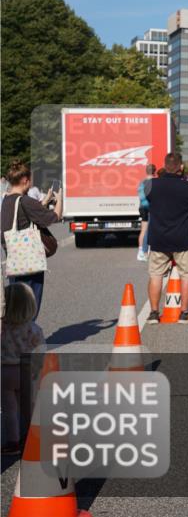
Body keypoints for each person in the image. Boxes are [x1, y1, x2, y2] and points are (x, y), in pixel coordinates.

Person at [145, 152, 188, 323]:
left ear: (164, 166)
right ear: (181, 167)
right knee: (187, 275)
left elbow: (147, 198)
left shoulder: (151, 185)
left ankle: (154, 313)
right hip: (184, 239)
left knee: (156, 275)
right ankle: (185, 313)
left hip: (159, 238)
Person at [1, 161, 62, 318]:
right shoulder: (25, 201)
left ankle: (15, 340)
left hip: (14, 260)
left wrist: (44, 201)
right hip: (30, 262)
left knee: (16, 307)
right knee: (30, 306)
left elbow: (24, 217)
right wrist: (59, 200)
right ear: (25, 181)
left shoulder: (6, 200)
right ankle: (28, 338)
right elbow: (53, 217)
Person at [1, 283, 44, 455]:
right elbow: (40, 352)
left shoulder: (2, 328)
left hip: (4, 372)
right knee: (28, 407)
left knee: (9, 409)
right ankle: (32, 437)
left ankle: (13, 442)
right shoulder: (33, 329)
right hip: (26, 371)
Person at [137, 163, 156, 261]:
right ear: (154, 172)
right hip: (150, 207)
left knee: (143, 230)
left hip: (142, 207)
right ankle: (147, 252)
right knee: (151, 230)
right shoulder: (153, 182)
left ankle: (140, 251)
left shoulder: (141, 182)